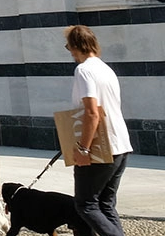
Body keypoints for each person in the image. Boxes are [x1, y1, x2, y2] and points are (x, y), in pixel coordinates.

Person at [65, 25, 132, 236]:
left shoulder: (84, 70)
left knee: (86, 204)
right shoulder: (106, 69)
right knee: (106, 204)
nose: (69, 51)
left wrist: (82, 149)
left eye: (69, 46)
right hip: (121, 144)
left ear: (76, 46)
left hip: (100, 148)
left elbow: (92, 112)